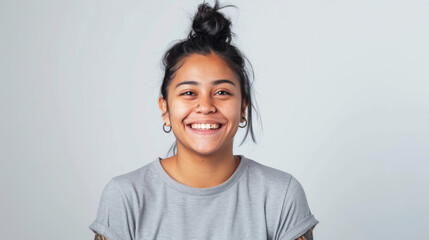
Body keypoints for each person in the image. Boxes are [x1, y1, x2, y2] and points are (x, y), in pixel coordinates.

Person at [89, 1, 318, 239]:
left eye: (222, 92)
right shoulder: (125, 197)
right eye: (189, 93)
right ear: (165, 108)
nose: (206, 106)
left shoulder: (281, 195)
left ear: (242, 108)